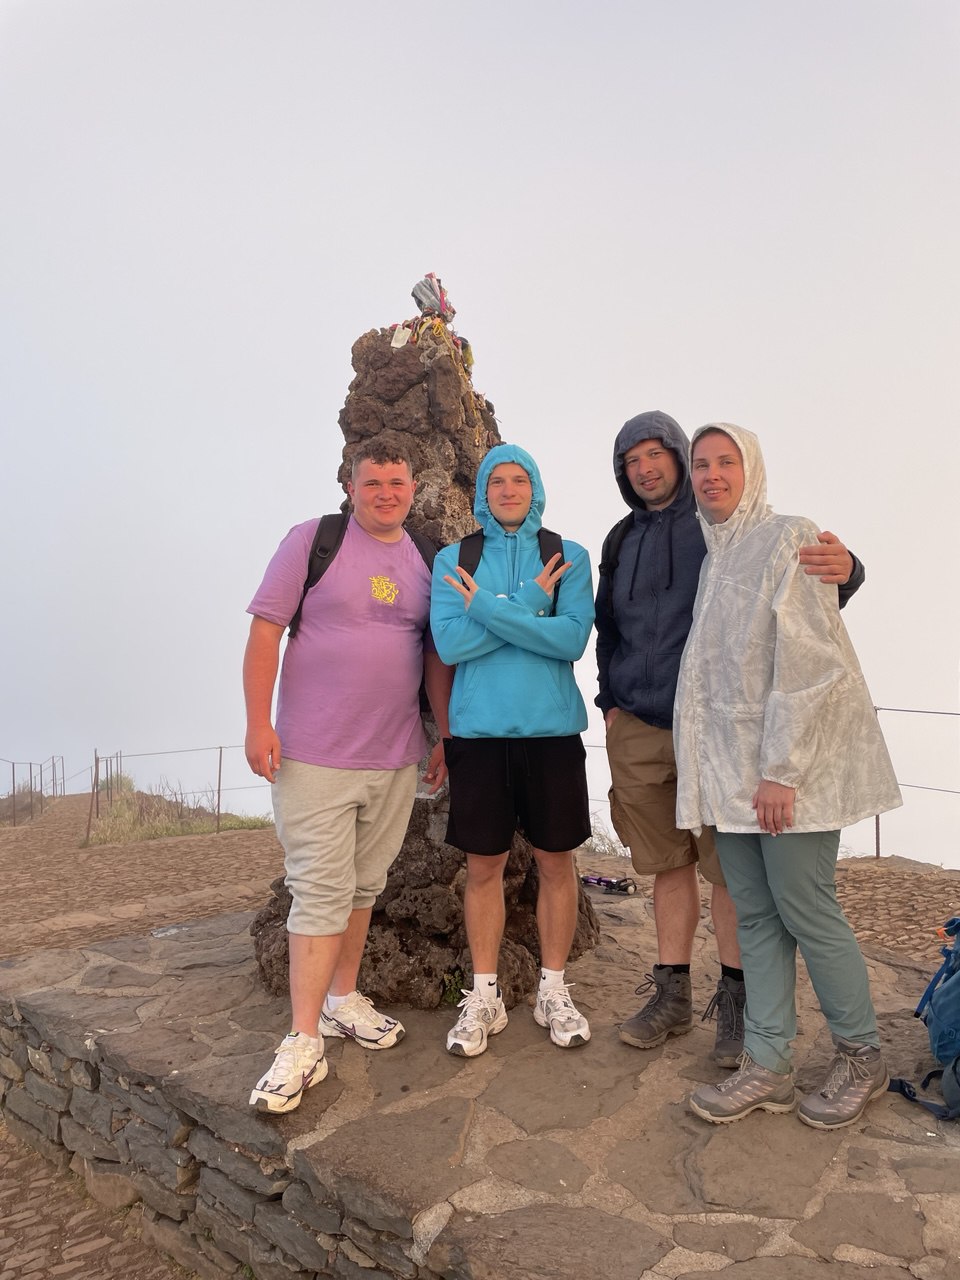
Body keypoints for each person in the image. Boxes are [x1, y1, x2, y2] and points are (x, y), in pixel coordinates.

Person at [595, 411, 864, 1067]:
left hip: (718, 735)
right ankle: (672, 995)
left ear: (679, 457)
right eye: (632, 460)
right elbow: (608, 627)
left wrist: (851, 568)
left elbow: (795, 584)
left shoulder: (720, 524)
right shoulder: (620, 539)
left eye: (657, 454)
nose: (646, 468)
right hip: (638, 726)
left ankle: (741, 1004)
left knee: (730, 874)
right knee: (666, 863)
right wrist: (609, 702)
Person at [675, 423, 901, 1128]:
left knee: (807, 907)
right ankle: (768, 1062)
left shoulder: (786, 537)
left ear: (752, 471)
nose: (712, 475)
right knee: (756, 914)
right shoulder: (715, 559)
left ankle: (861, 1055)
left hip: (786, 780)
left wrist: (781, 770)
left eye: (726, 462)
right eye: (701, 464)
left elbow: (808, 664)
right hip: (733, 780)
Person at [243, 435, 451, 1114]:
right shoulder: (313, 541)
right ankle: (302, 1040)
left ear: (412, 487)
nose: (385, 494)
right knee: (318, 891)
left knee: (364, 886)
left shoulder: (424, 557)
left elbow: (431, 654)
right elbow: (266, 631)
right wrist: (258, 723)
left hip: (392, 756)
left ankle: (342, 999)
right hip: (314, 755)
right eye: (372, 483)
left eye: (397, 483)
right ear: (350, 486)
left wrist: (445, 734)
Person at [430, 443, 595, 1057]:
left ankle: (553, 989)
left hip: (552, 733)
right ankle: (484, 995)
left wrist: (485, 611)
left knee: (556, 862)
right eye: (495, 480)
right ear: (482, 492)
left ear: (535, 489)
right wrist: (527, 606)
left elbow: (571, 640)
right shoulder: (454, 559)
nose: (507, 490)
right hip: (479, 735)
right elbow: (450, 646)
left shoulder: (567, 555)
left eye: (518, 480)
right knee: (483, 868)